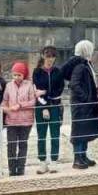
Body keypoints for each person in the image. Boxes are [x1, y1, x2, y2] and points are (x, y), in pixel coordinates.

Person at [63, 40, 98, 169]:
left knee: (85, 130)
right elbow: (74, 84)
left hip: (85, 105)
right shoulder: (80, 66)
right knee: (79, 132)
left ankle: (83, 155)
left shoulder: (84, 64)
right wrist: (85, 97)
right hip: (81, 105)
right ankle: (78, 158)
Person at [33, 46, 65, 174]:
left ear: (55, 58)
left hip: (55, 106)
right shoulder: (37, 72)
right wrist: (44, 106)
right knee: (41, 135)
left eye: (52, 56)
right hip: (41, 107)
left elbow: (59, 90)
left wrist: (45, 92)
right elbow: (36, 91)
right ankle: (42, 162)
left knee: (55, 134)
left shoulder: (58, 72)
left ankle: (54, 161)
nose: (50, 59)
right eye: (47, 56)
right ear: (43, 56)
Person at [3, 61, 38, 176]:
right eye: (15, 75)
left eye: (19, 75)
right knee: (11, 144)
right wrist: (4, 108)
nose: (17, 77)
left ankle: (21, 167)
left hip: (25, 121)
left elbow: (33, 101)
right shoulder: (8, 86)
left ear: (24, 75)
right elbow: (5, 100)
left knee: (23, 144)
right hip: (11, 120)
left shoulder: (29, 85)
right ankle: (12, 169)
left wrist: (20, 105)